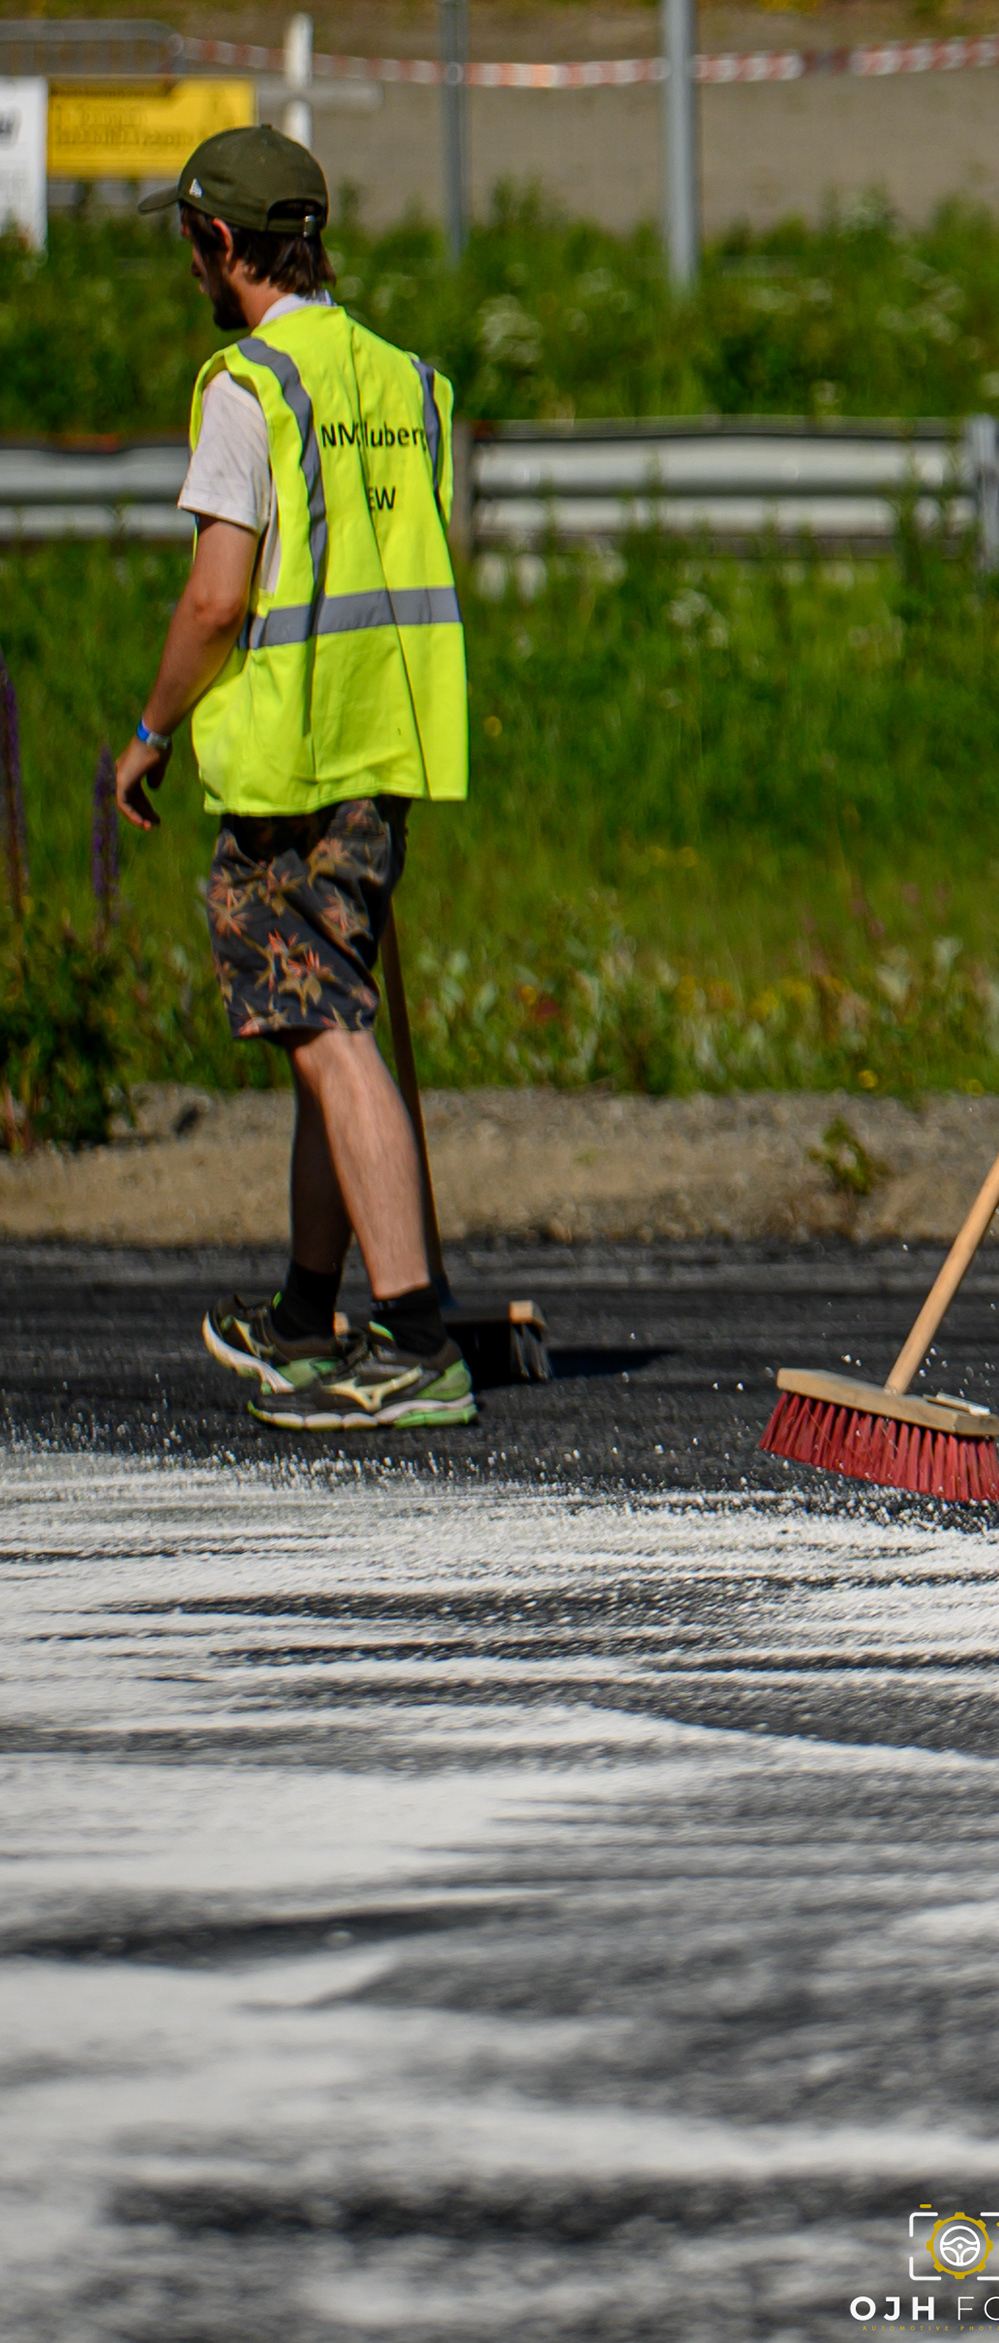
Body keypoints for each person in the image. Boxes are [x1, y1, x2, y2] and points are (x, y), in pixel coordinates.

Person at [113, 123, 474, 1433]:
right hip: (388, 749)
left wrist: (151, 731)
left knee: (325, 1030)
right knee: (330, 1024)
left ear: (221, 242)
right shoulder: (406, 381)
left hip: (290, 765)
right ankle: (310, 1314)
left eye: (190, 242)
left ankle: (414, 1337)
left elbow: (217, 600)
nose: (190, 265)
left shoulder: (247, 388)